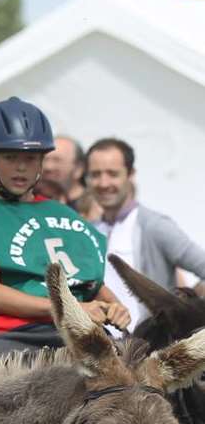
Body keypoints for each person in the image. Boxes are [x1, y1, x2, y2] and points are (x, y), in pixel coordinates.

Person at [0, 97, 130, 360]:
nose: (21, 167)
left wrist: (116, 307)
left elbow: (92, 284)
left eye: (31, 158)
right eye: (10, 157)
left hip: (82, 332)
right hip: (13, 337)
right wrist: (71, 309)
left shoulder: (65, 214)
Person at [85, 137, 205, 331]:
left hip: (151, 351)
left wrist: (188, 311)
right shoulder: (87, 229)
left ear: (130, 174)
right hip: (103, 348)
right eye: (95, 174)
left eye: (112, 174)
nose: (103, 183)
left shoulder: (155, 226)